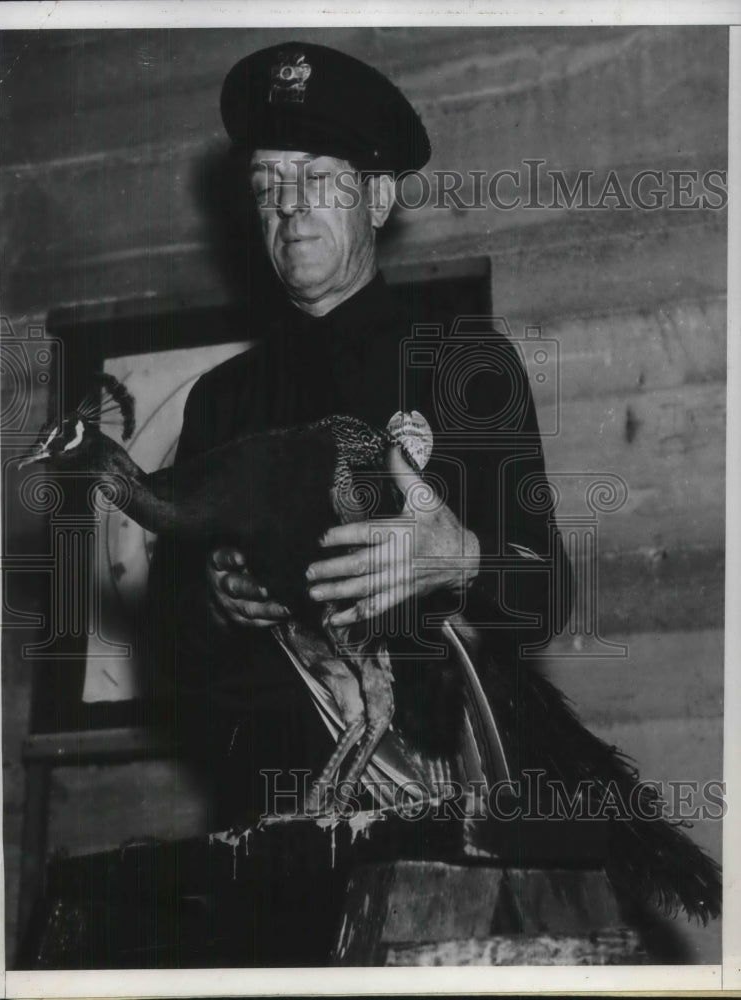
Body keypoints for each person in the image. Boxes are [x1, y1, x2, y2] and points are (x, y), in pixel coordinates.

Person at [146, 41, 571, 962]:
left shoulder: (463, 362)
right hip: (272, 838)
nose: (288, 206)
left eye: (317, 178)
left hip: (444, 837)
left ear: (379, 198)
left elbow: (543, 595)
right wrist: (216, 604)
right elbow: (171, 645)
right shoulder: (220, 402)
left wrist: (457, 559)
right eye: (266, 185)